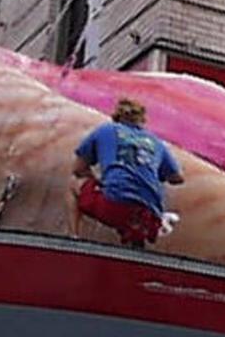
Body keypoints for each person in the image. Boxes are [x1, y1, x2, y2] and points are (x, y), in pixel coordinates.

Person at [67, 97, 183, 247]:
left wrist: (98, 181)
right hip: (150, 218)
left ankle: (73, 239)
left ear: (116, 116)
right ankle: (135, 244)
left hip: (115, 207)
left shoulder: (105, 130)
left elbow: (78, 170)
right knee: (139, 203)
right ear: (142, 120)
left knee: (74, 185)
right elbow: (178, 178)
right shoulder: (155, 141)